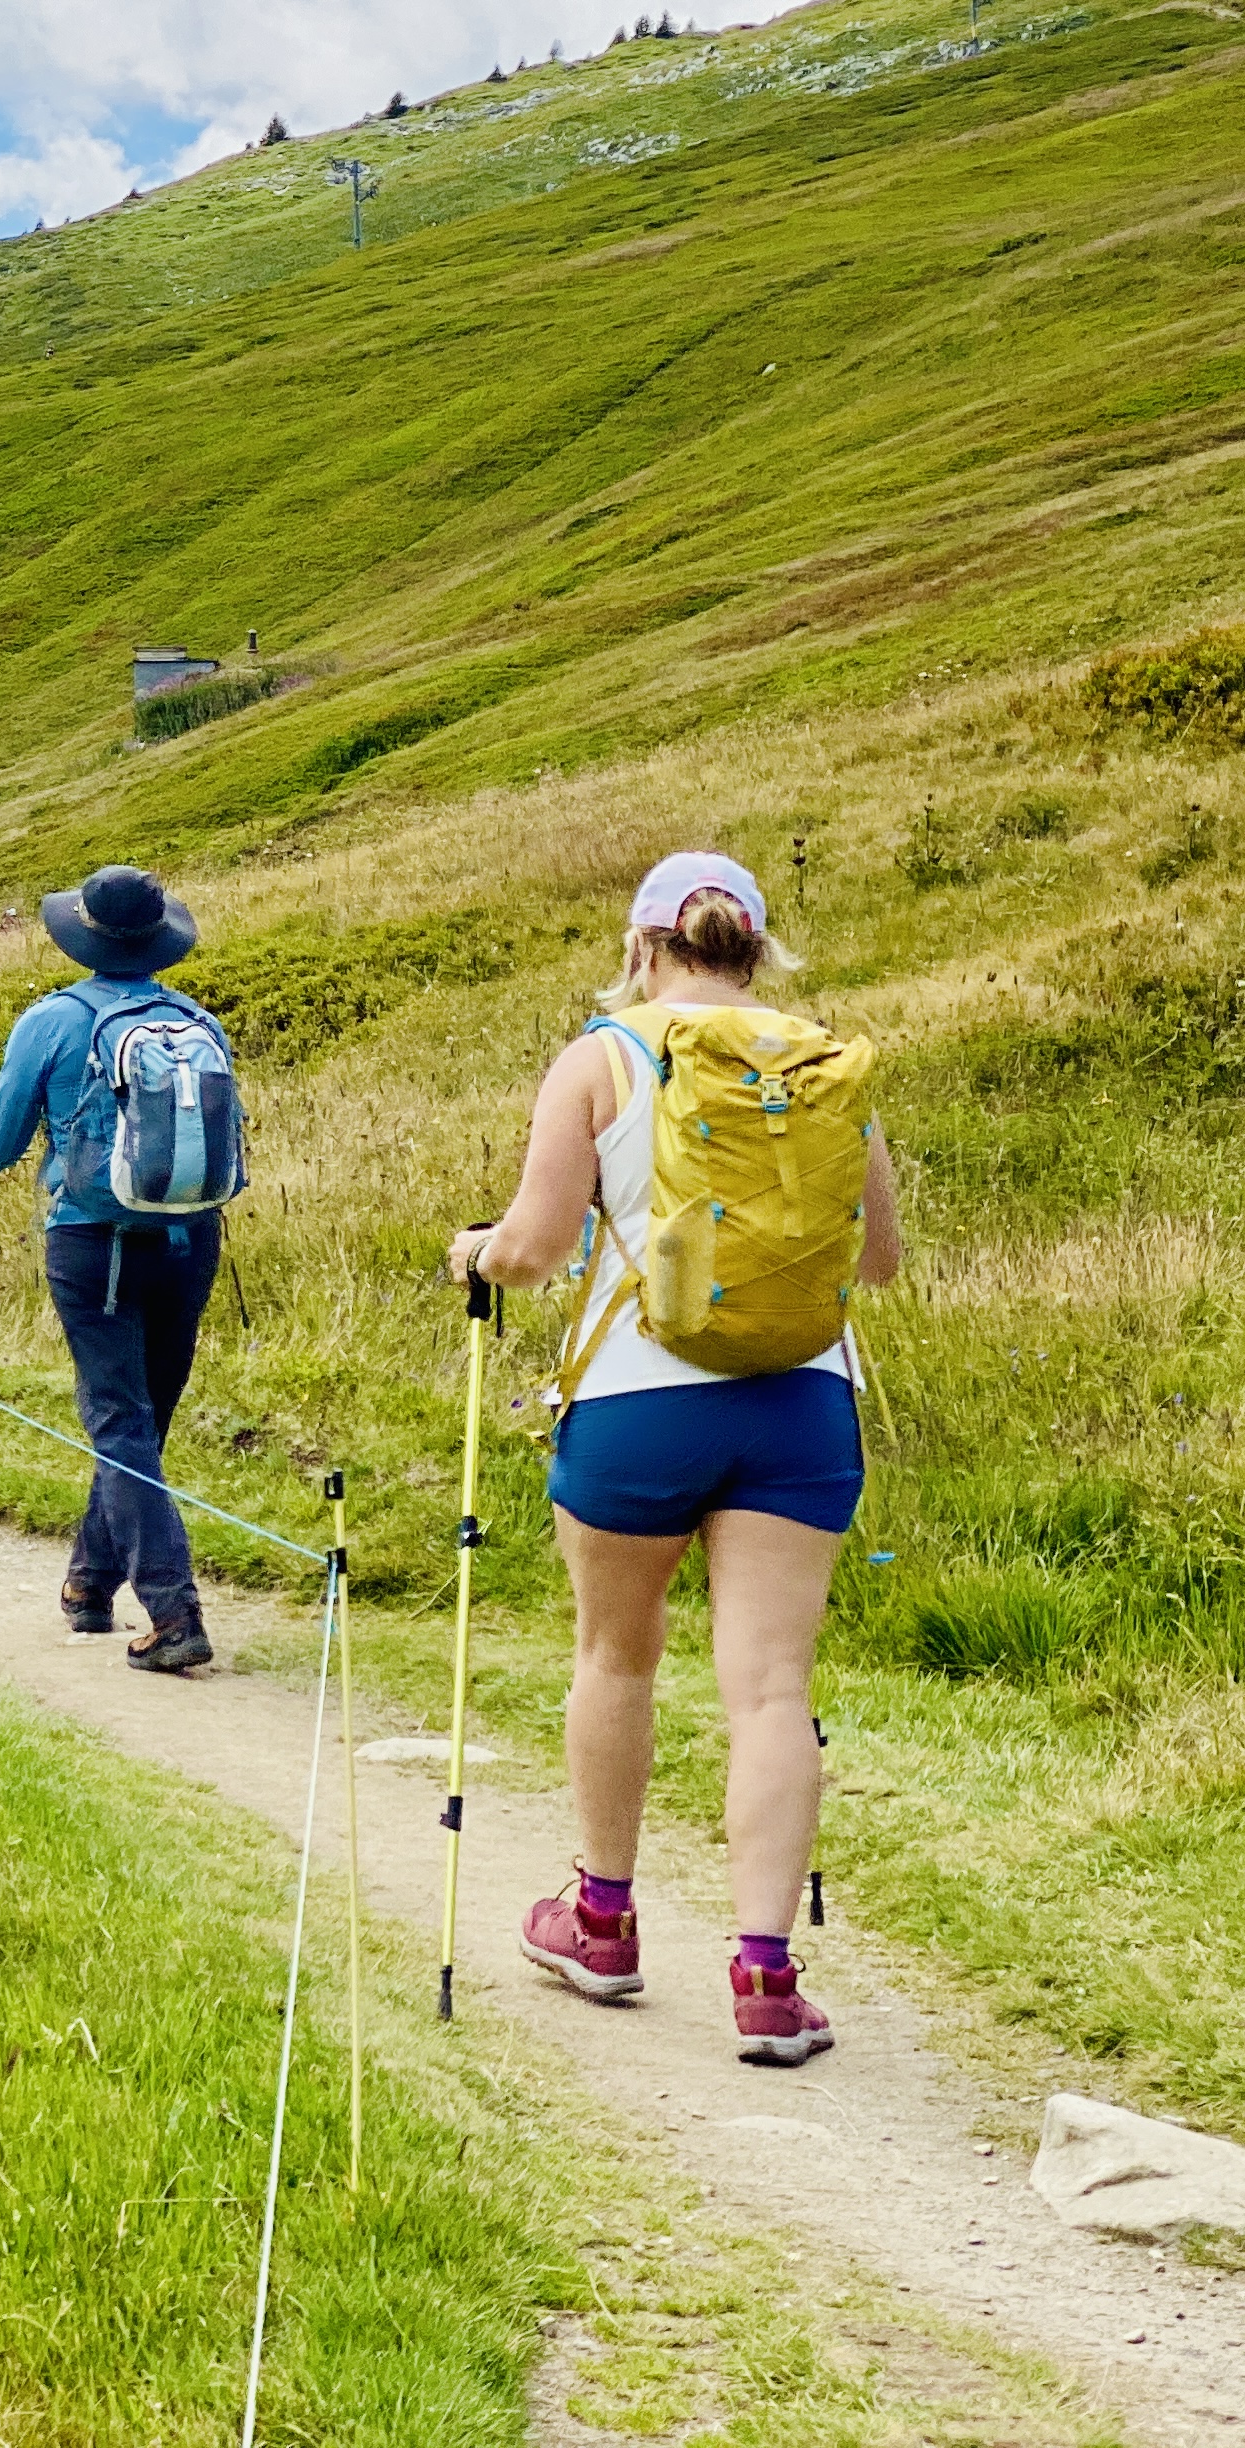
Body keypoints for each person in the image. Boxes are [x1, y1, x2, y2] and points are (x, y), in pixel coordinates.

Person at [447, 853, 899, 2070]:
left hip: (641, 1401)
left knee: (617, 1654)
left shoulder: (601, 1057)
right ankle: (765, 1979)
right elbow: (881, 1261)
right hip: (802, 1403)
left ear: (643, 944)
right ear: (756, 947)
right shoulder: (818, 1063)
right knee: (770, 1690)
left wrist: (476, 1253)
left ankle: (601, 1921)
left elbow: (537, 1248)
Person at [0, 865, 230, 1676]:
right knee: (143, 1419)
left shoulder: (53, 1020)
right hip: (191, 1237)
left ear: (83, 938)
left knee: (118, 1419)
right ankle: (90, 1583)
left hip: (91, 1243)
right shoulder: (194, 1018)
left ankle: (174, 1612)